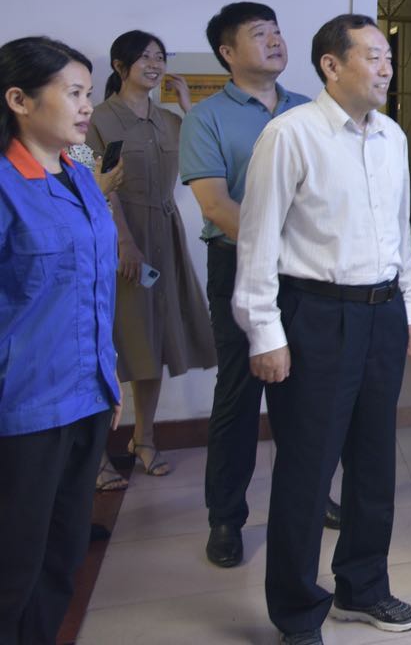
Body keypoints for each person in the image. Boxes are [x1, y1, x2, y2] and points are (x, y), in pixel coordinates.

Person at [234, 15, 411, 644]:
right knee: (308, 471)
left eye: (389, 57)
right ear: (331, 65)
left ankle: (362, 588)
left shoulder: (392, 136)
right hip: (314, 315)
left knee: (374, 463)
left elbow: (399, 230)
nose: (386, 68)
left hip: (382, 313)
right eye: (373, 56)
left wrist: (409, 307)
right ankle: (296, 614)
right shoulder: (290, 135)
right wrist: (264, 333)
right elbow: (258, 240)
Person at [178, 3, 326, 570]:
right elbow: (216, 205)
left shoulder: (308, 109)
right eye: (259, 34)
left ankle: (311, 496)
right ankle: (226, 517)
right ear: (228, 52)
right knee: (240, 396)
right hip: (237, 264)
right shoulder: (206, 118)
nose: (275, 41)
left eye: (277, 31)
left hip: (306, 275)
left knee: (306, 396)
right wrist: (281, 249)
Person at [0, 37, 120, 644]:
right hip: (24, 408)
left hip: (86, 397)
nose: (86, 107)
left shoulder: (77, 172)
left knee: (62, 554)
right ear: (19, 100)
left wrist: (108, 373)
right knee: (13, 565)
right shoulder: (5, 183)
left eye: (88, 93)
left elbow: (93, 288)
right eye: (73, 93)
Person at [88, 31, 216, 483]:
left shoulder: (169, 120)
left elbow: (206, 152)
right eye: (144, 57)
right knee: (111, 344)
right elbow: (96, 183)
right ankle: (95, 455)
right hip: (121, 237)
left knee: (153, 340)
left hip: (164, 235)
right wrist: (123, 240)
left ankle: (144, 439)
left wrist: (188, 107)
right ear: (120, 66)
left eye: (159, 56)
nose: (154, 64)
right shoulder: (97, 119)